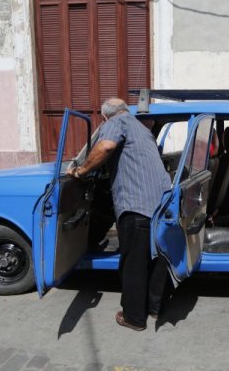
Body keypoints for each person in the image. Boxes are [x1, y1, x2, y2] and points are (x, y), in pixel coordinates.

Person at [67, 98, 171, 331]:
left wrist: (81, 170)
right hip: (157, 206)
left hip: (135, 206)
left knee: (133, 264)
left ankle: (134, 318)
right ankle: (154, 308)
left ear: (105, 117)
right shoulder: (143, 130)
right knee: (153, 261)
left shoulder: (117, 122)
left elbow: (105, 147)